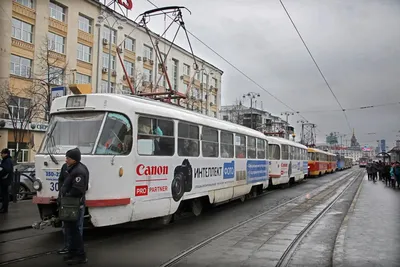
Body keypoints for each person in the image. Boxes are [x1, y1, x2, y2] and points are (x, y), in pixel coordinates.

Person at [59, 148, 89, 265]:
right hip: (69, 204)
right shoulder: (72, 168)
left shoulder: (79, 171)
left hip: (74, 205)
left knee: (75, 231)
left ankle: (80, 255)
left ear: (74, 159)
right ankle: (72, 253)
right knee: (70, 230)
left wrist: (66, 195)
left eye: (68, 158)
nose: (66, 160)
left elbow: (78, 189)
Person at [0, 148, 13, 213]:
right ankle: (4, 208)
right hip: (6, 180)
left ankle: (4, 209)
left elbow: (6, 170)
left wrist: (1, 175)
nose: (1, 155)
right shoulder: (8, 160)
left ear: (5, 154)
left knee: (4, 195)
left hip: (5, 180)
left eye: (2, 153)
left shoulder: (6, 160)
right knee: (4, 194)